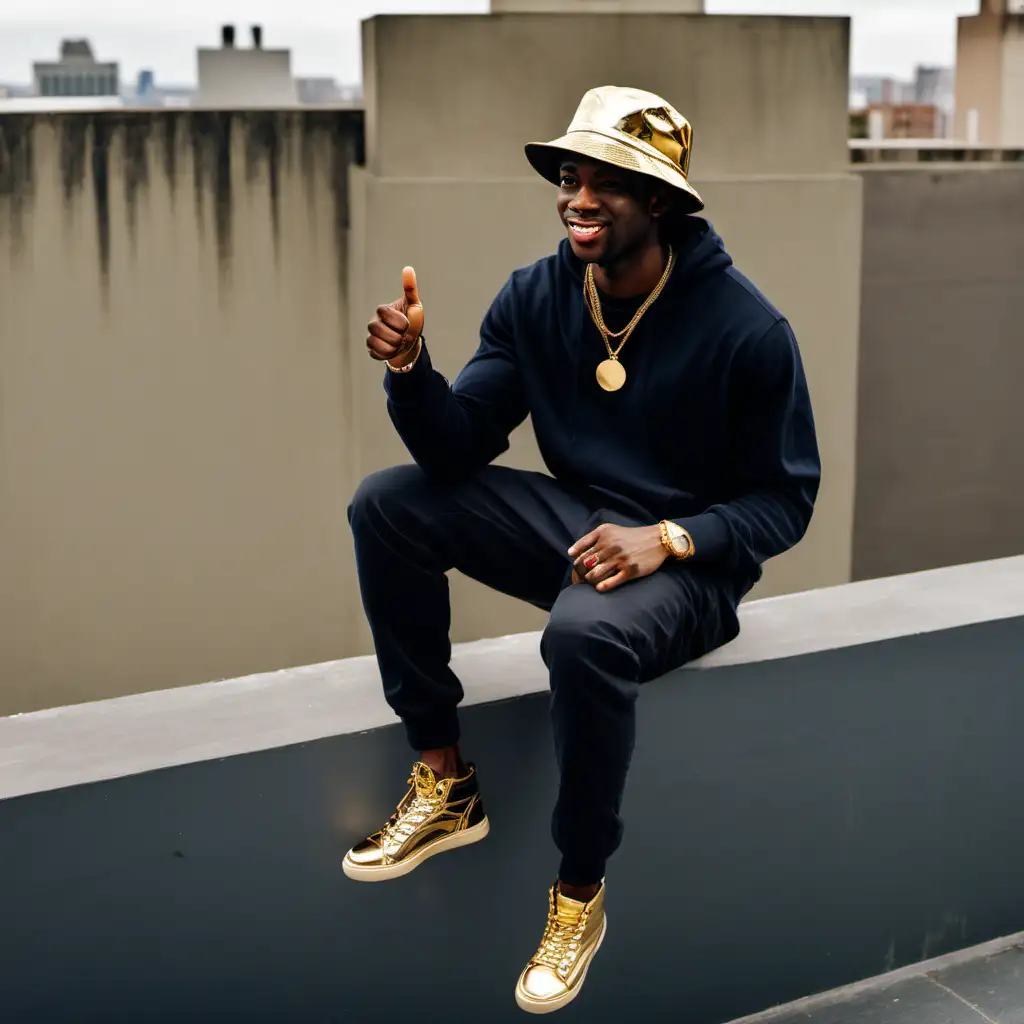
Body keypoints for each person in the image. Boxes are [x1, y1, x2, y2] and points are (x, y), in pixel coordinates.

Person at [343, 85, 820, 1014]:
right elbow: (456, 447)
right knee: (387, 505)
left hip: (688, 565)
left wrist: (672, 540)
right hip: (576, 526)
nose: (580, 199)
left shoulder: (748, 330)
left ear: (664, 204)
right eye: (571, 177)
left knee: (581, 636)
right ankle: (444, 781)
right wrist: (411, 374)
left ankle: (578, 893)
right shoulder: (536, 296)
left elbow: (786, 499)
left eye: (610, 182)